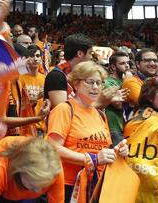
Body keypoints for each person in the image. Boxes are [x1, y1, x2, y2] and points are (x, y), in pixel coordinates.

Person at [47, 61, 127, 202]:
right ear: (76, 84)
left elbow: (103, 149)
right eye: (90, 82)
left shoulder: (100, 114)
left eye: (99, 82)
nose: (95, 87)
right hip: (67, 185)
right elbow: (52, 148)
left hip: (94, 184)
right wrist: (92, 159)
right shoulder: (64, 109)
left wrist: (117, 151)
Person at [0, 137, 64, 203]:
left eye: (44, 186)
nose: (38, 191)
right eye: (33, 185)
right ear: (21, 170)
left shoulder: (54, 171)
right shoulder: (0, 168)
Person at [44, 33, 94, 108]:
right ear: (80, 53)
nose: (91, 57)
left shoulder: (83, 75)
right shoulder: (56, 76)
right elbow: (62, 110)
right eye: (90, 53)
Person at [104, 51, 132, 145]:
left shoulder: (125, 81)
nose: (127, 66)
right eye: (122, 63)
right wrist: (127, 81)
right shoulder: (108, 83)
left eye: (128, 63)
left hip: (127, 127)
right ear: (113, 67)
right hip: (115, 129)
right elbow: (119, 105)